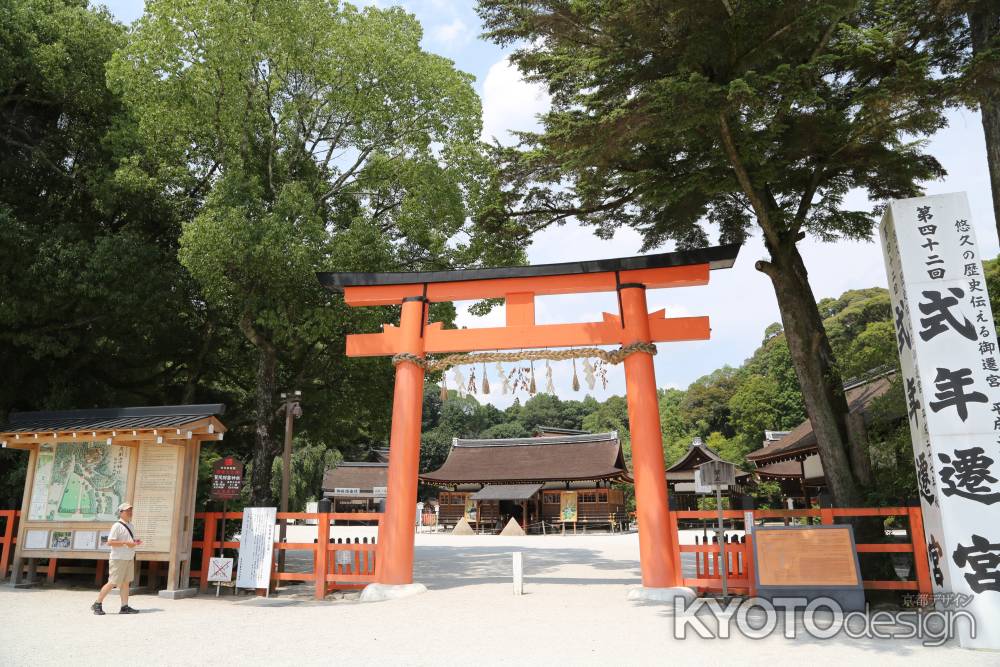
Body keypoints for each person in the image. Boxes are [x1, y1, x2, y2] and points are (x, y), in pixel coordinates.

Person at [91, 502, 143, 615]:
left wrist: (135, 542)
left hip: (128, 557)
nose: (130, 512)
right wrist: (126, 543)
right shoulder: (117, 526)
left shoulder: (131, 525)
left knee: (125, 583)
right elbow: (110, 542)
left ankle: (124, 606)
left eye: (130, 510)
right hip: (118, 558)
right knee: (113, 582)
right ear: (120, 512)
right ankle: (97, 604)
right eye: (127, 510)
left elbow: (129, 541)